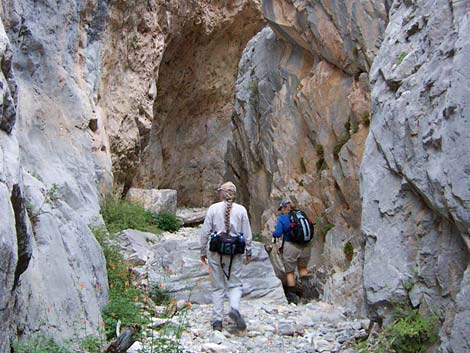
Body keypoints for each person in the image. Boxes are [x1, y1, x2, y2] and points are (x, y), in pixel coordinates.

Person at [200, 181, 253, 331]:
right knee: (235, 283)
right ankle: (234, 308)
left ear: (222, 193)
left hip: (216, 251)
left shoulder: (213, 209)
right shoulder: (241, 210)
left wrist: (202, 251)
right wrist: (249, 251)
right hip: (235, 251)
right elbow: (247, 234)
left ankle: (217, 321)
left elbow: (205, 232)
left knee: (218, 287)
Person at [272, 199, 312, 304]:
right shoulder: (301, 215)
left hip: (291, 246)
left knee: (290, 272)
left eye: (281, 209)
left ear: (285, 207)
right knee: (303, 268)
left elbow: (278, 233)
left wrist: (274, 233)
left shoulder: (283, 218)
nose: (281, 211)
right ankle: (308, 295)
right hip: (306, 245)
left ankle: (293, 299)